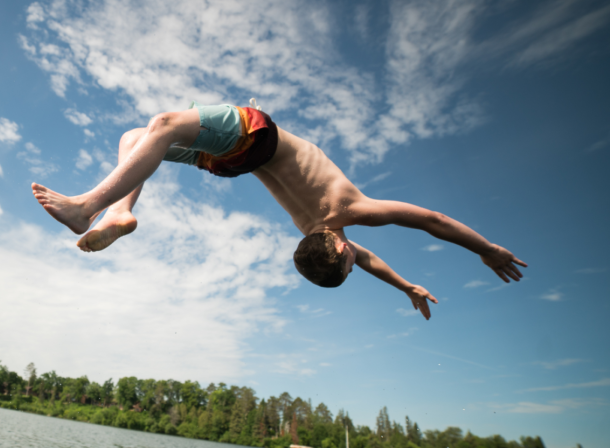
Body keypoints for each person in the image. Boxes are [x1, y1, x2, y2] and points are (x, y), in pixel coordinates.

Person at [31, 102, 527, 320]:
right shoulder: (319, 224)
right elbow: (400, 242)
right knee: (137, 139)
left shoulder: (346, 214)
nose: (359, 255)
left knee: (156, 126)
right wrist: (417, 281)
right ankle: (119, 213)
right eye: (354, 258)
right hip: (237, 160)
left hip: (253, 139)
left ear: (333, 245)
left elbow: (428, 223)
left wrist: (482, 251)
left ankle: (89, 207)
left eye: (351, 258)